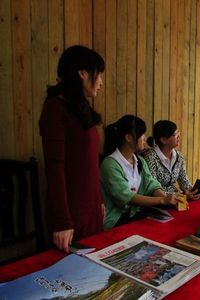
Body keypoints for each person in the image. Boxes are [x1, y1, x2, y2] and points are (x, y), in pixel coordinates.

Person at [39, 45, 105, 252]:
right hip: (71, 212)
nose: (101, 82)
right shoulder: (55, 108)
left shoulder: (80, 107)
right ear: (83, 74)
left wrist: (99, 201)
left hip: (90, 207)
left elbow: (90, 164)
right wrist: (62, 221)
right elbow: (54, 167)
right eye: (99, 75)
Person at [100, 115, 178, 229]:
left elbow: (151, 184)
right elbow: (127, 197)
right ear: (128, 137)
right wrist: (162, 200)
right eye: (142, 134)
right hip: (115, 220)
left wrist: (167, 199)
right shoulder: (110, 164)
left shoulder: (139, 160)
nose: (145, 138)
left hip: (134, 214)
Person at [141, 120, 200, 200]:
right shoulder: (150, 157)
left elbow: (184, 180)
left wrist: (190, 191)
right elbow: (153, 189)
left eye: (178, 133)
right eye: (176, 135)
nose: (179, 136)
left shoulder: (178, 156)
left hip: (176, 197)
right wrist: (182, 196)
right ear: (164, 140)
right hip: (158, 200)